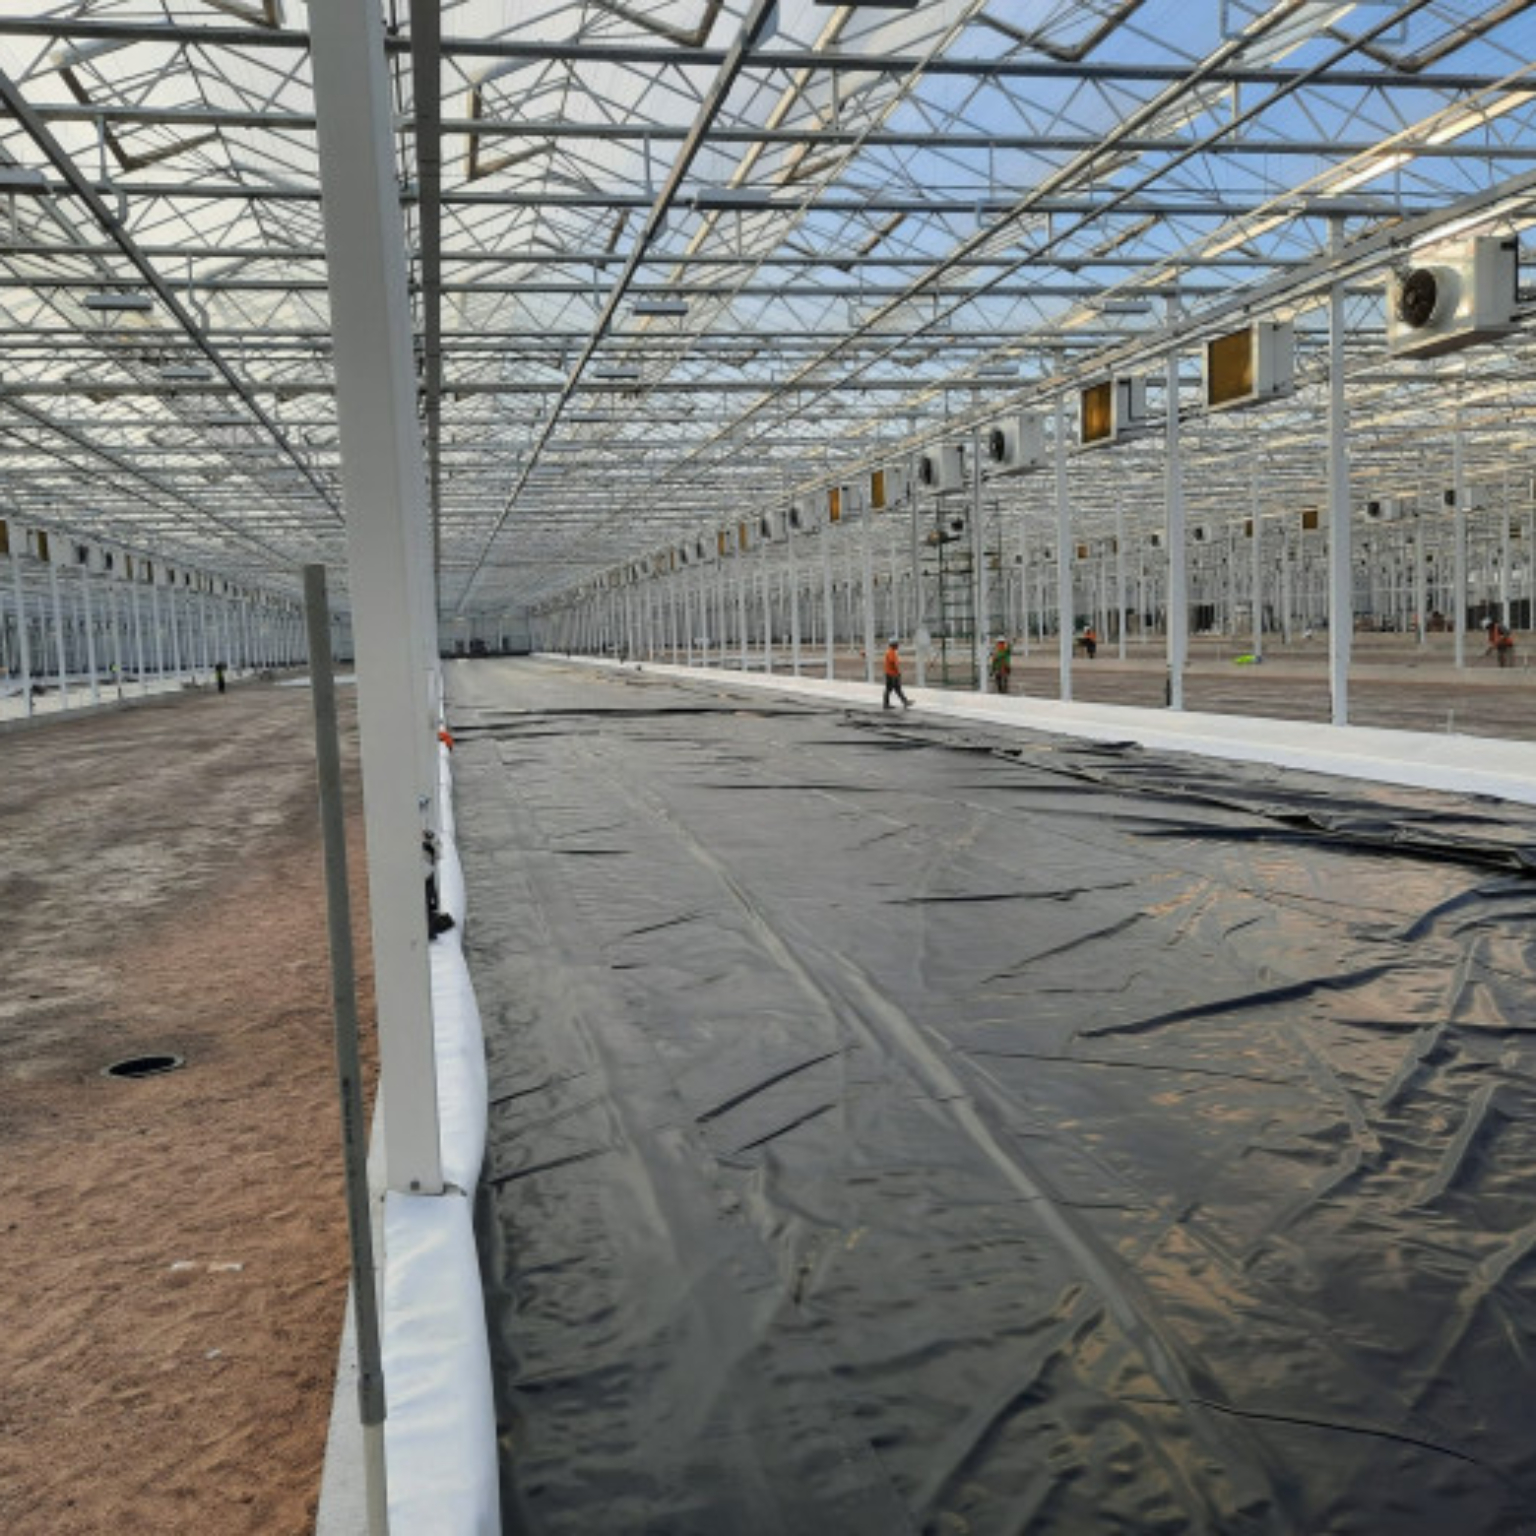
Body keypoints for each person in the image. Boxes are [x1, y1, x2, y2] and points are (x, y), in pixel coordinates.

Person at [883, 636, 910, 709]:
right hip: (892, 674)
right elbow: (894, 664)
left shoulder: (890, 652)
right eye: (897, 644)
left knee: (892, 689)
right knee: (893, 689)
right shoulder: (891, 653)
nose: (898, 645)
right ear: (893, 645)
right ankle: (904, 702)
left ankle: (904, 702)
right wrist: (898, 672)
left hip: (889, 673)